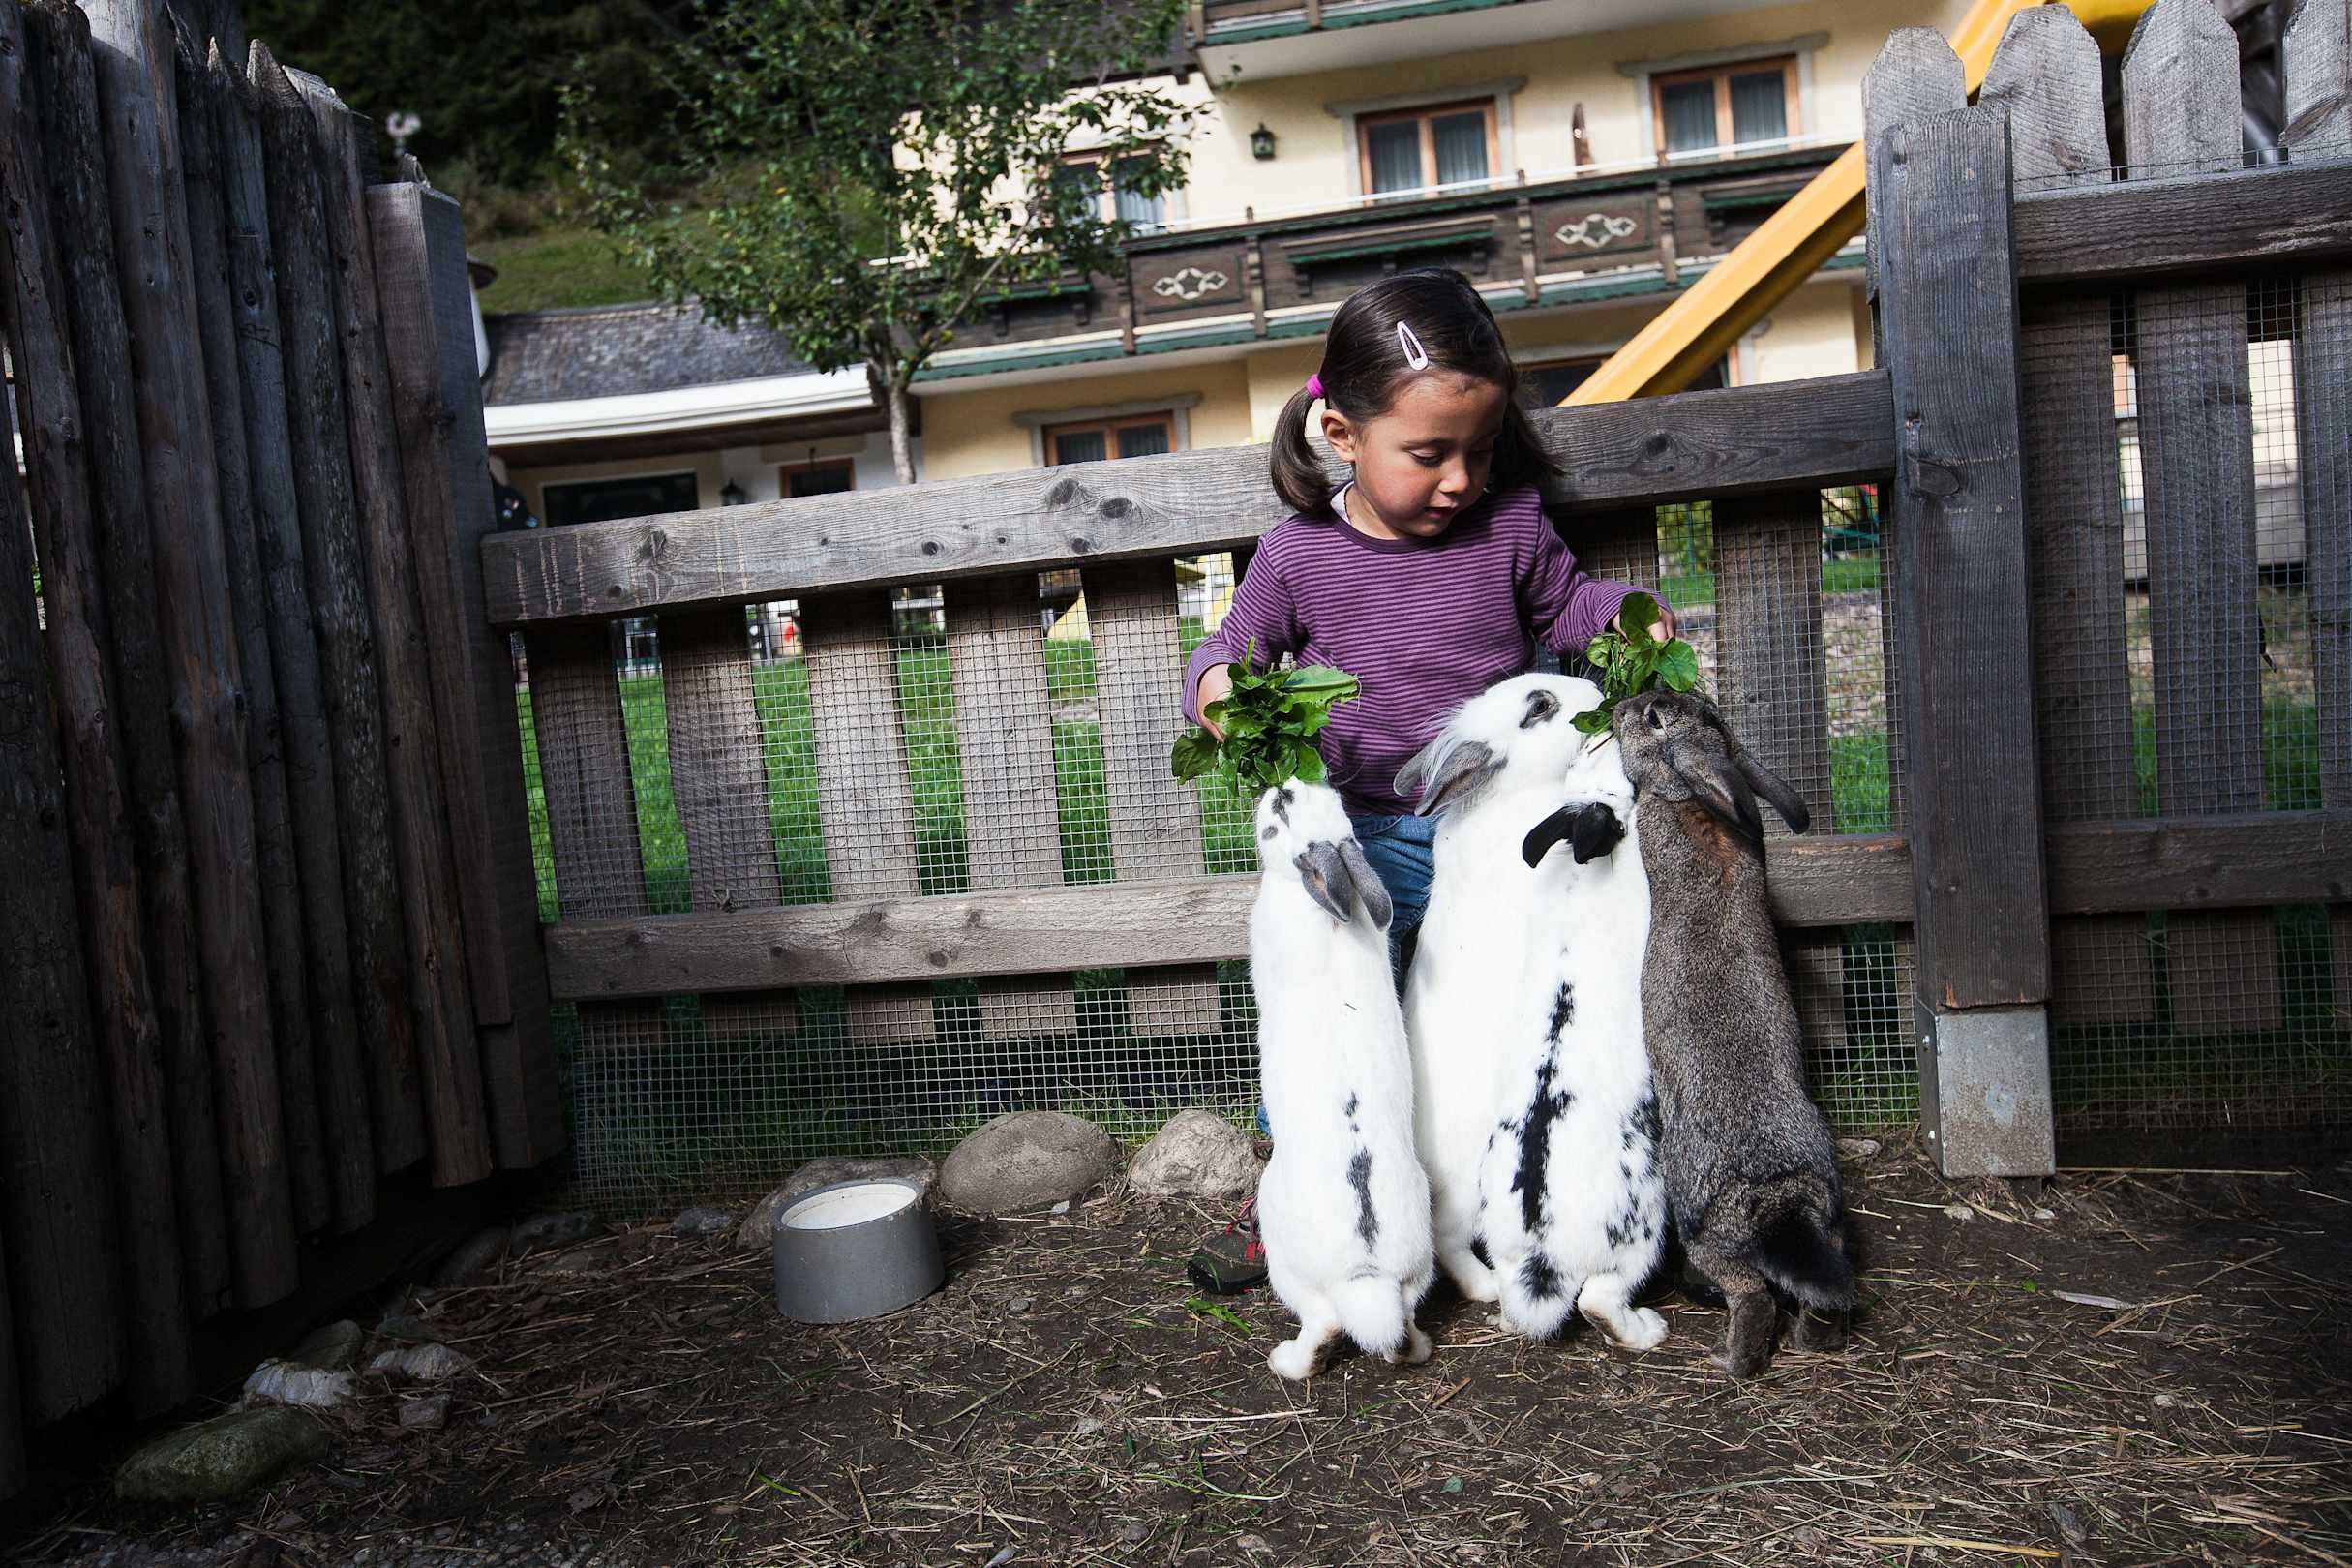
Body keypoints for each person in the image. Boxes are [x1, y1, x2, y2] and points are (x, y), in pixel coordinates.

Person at [1181, 267, 1676, 1294]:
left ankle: (1506, 1198)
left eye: (1480, 450)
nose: (1460, 479)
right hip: (1367, 840)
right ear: (1342, 435)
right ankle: (1300, 1201)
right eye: (1429, 454)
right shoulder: (1300, 555)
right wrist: (1222, 691)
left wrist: (1627, 616)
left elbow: (1569, 608)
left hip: (1494, 834)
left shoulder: (1511, 529)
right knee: (1340, 1019)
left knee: (1490, 1016)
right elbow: (1229, 651)